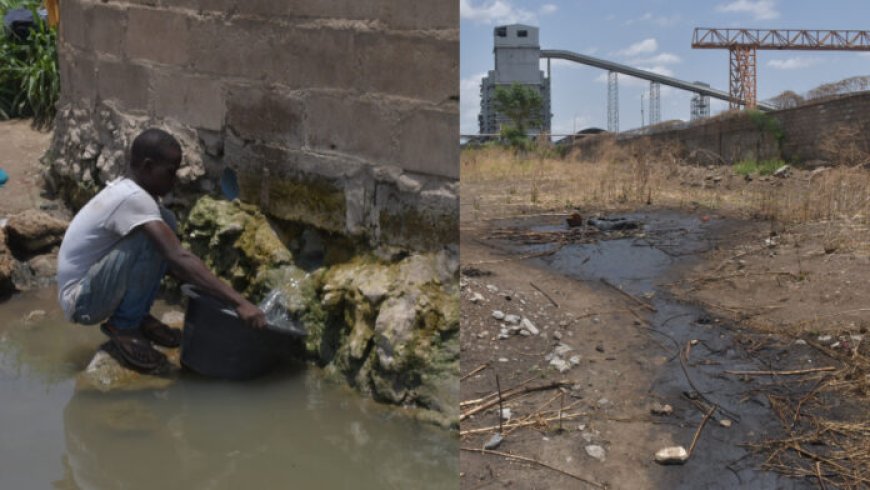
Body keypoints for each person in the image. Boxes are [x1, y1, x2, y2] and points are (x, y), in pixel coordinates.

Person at [56, 128, 267, 370]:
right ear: (147, 167)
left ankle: (137, 316)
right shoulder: (133, 199)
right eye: (170, 172)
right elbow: (177, 257)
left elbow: (172, 262)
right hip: (82, 302)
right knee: (153, 241)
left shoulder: (136, 195)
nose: (175, 179)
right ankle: (123, 326)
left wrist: (207, 291)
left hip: (94, 288)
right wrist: (239, 302)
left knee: (165, 223)